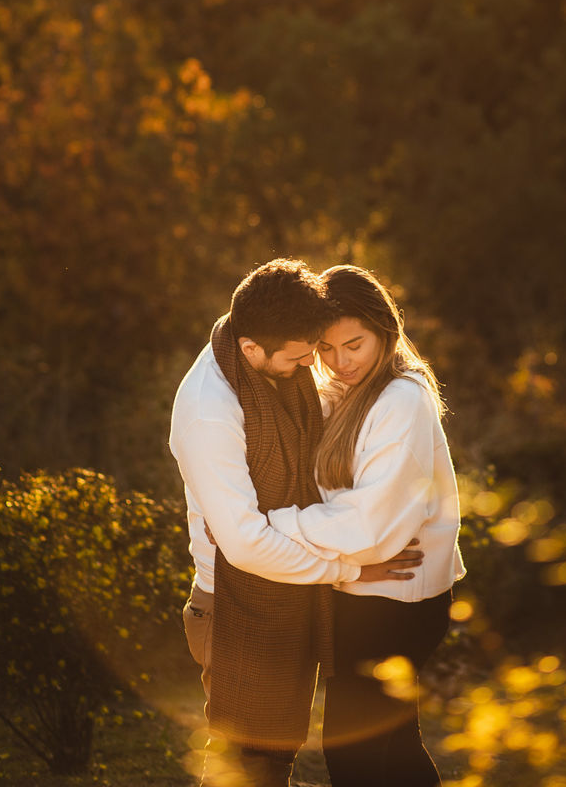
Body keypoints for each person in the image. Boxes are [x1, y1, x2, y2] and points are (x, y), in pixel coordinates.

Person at [168, 258, 423, 787]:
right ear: (251, 349)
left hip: (288, 589)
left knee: (276, 755)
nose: (312, 366)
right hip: (232, 601)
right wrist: (351, 571)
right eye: (301, 357)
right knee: (248, 759)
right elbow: (244, 545)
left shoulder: (264, 355)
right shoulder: (210, 410)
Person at [264, 264, 464, 787]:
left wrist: (275, 526)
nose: (340, 361)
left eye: (354, 344)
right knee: (394, 751)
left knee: (353, 755)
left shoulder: (401, 399)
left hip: (395, 600)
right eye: (326, 348)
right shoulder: (346, 391)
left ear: (385, 330)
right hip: (372, 594)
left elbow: (369, 528)